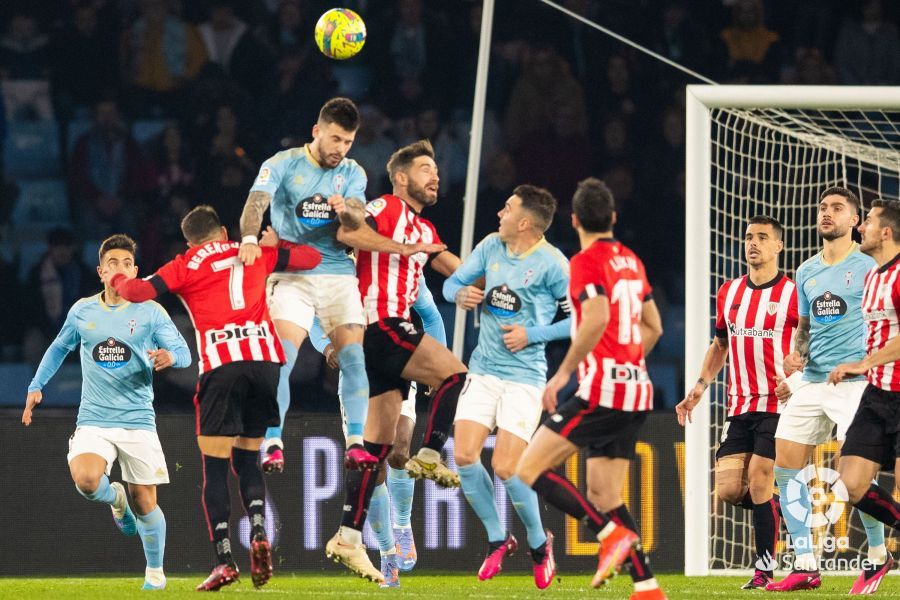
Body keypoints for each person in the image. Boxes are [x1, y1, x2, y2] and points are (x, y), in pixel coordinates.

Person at [110, 206, 321, 591]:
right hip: (264, 362)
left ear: (190, 240)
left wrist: (119, 277)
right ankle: (259, 529)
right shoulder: (250, 249)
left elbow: (139, 292)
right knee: (248, 459)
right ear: (223, 231)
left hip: (222, 363)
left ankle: (224, 560)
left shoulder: (185, 263)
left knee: (217, 467)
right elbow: (313, 258)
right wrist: (274, 243)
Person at [238, 97, 440, 474]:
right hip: (292, 275)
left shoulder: (353, 172)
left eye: (347, 142)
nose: (339, 149)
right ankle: (273, 441)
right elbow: (256, 203)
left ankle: (356, 444)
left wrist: (345, 209)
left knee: (353, 358)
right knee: (282, 356)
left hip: (337, 274)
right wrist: (250, 239)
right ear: (316, 131)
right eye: (334, 140)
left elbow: (356, 220)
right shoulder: (282, 164)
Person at [514, 178, 666, 600]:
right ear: (613, 218)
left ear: (575, 219)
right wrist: (629, 358)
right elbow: (654, 325)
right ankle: (648, 587)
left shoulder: (584, 261)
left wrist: (563, 374)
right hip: (637, 390)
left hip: (603, 391)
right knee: (604, 493)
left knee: (527, 469)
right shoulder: (631, 260)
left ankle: (608, 535)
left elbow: (596, 316)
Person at [324, 139, 467, 583]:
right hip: (376, 323)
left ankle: (347, 535)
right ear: (402, 177)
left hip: (383, 340)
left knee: (378, 450)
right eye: (426, 168)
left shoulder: (423, 230)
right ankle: (431, 452)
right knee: (455, 374)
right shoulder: (386, 207)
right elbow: (347, 233)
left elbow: (454, 267)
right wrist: (395, 247)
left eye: (436, 168)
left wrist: (499, 284)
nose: (435, 175)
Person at [21, 234, 191, 591]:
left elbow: (185, 352)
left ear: (136, 271)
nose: (120, 269)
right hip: (94, 420)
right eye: (112, 263)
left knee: (145, 502)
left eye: (126, 264)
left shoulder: (149, 310)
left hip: (138, 420)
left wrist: (170, 357)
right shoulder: (83, 310)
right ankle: (115, 498)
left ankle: (155, 573)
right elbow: (57, 348)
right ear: (100, 271)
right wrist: (37, 385)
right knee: (85, 480)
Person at [443, 185, 569, 589]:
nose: (500, 213)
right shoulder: (491, 246)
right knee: (463, 456)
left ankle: (538, 544)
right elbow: (450, 285)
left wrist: (533, 334)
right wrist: (460, 293)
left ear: (525, 222)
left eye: (508, 208)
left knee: (506, 467)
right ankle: (499, 538)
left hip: (524, 378)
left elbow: (580, 320)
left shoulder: (553, 264)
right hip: (483, 370)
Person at [767, 187, 890, 593]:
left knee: (853, 474)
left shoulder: (871, 265)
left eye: (837, 208)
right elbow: (804, 330)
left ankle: (876, 555)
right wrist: (793, 356)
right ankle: (805, 564)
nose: (827, 214)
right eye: (822, 207)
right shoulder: (806, 271)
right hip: (813, 380)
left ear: (855, 221)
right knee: (784, 461)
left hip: (854, 384)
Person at [676, 216, 797, 589]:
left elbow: (808, 346)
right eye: (748, 237)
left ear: (779, 246)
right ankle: (780, 512)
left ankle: (763, 571)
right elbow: (720, 346)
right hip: (740, 405)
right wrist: (699, 386)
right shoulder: (729, 292)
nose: (753, 243)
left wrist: (796, 378)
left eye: (762, 237)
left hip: (778, 405)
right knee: (729, 490)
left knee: (761, 479)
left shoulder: (793, 293)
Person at [312, 273, 445, 588]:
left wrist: (434, 360)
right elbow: (314, 319)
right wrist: (327, 347)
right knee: (374, 466)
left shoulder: (401, 267)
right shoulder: (336, 271)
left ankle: (402, 526)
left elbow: (430, 314)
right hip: (357, 375)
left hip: (397, 363)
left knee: (400, 453)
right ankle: (387, 554)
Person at [828, 199, 900, 595]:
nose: (862, 228)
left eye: (868, 222)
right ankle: (885, 557)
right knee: (851, 485)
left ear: (886, 232)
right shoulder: (874, 276)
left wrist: (861, 363)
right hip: (877, 395)